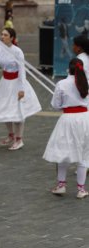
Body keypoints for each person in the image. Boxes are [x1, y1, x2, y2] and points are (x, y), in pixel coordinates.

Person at [0, 28, 41, 150]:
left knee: (17, 111)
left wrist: (21, 89)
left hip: (16, 83)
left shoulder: (17, 52)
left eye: (5, 35)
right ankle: (11, 135)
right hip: (5, 83)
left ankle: (19, 139)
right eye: (2, 34)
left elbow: (21, 70)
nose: (2, 37)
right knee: (4, 109)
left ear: (12, 38)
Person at [43, 58, 89, 199]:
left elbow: (55, 105)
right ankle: (81, 189)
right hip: (85, 119)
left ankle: (61, 185)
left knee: (63, 152)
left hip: (68, 120)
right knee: (85, 153)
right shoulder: (86, 83)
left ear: (68, 69)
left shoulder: (61, 84)